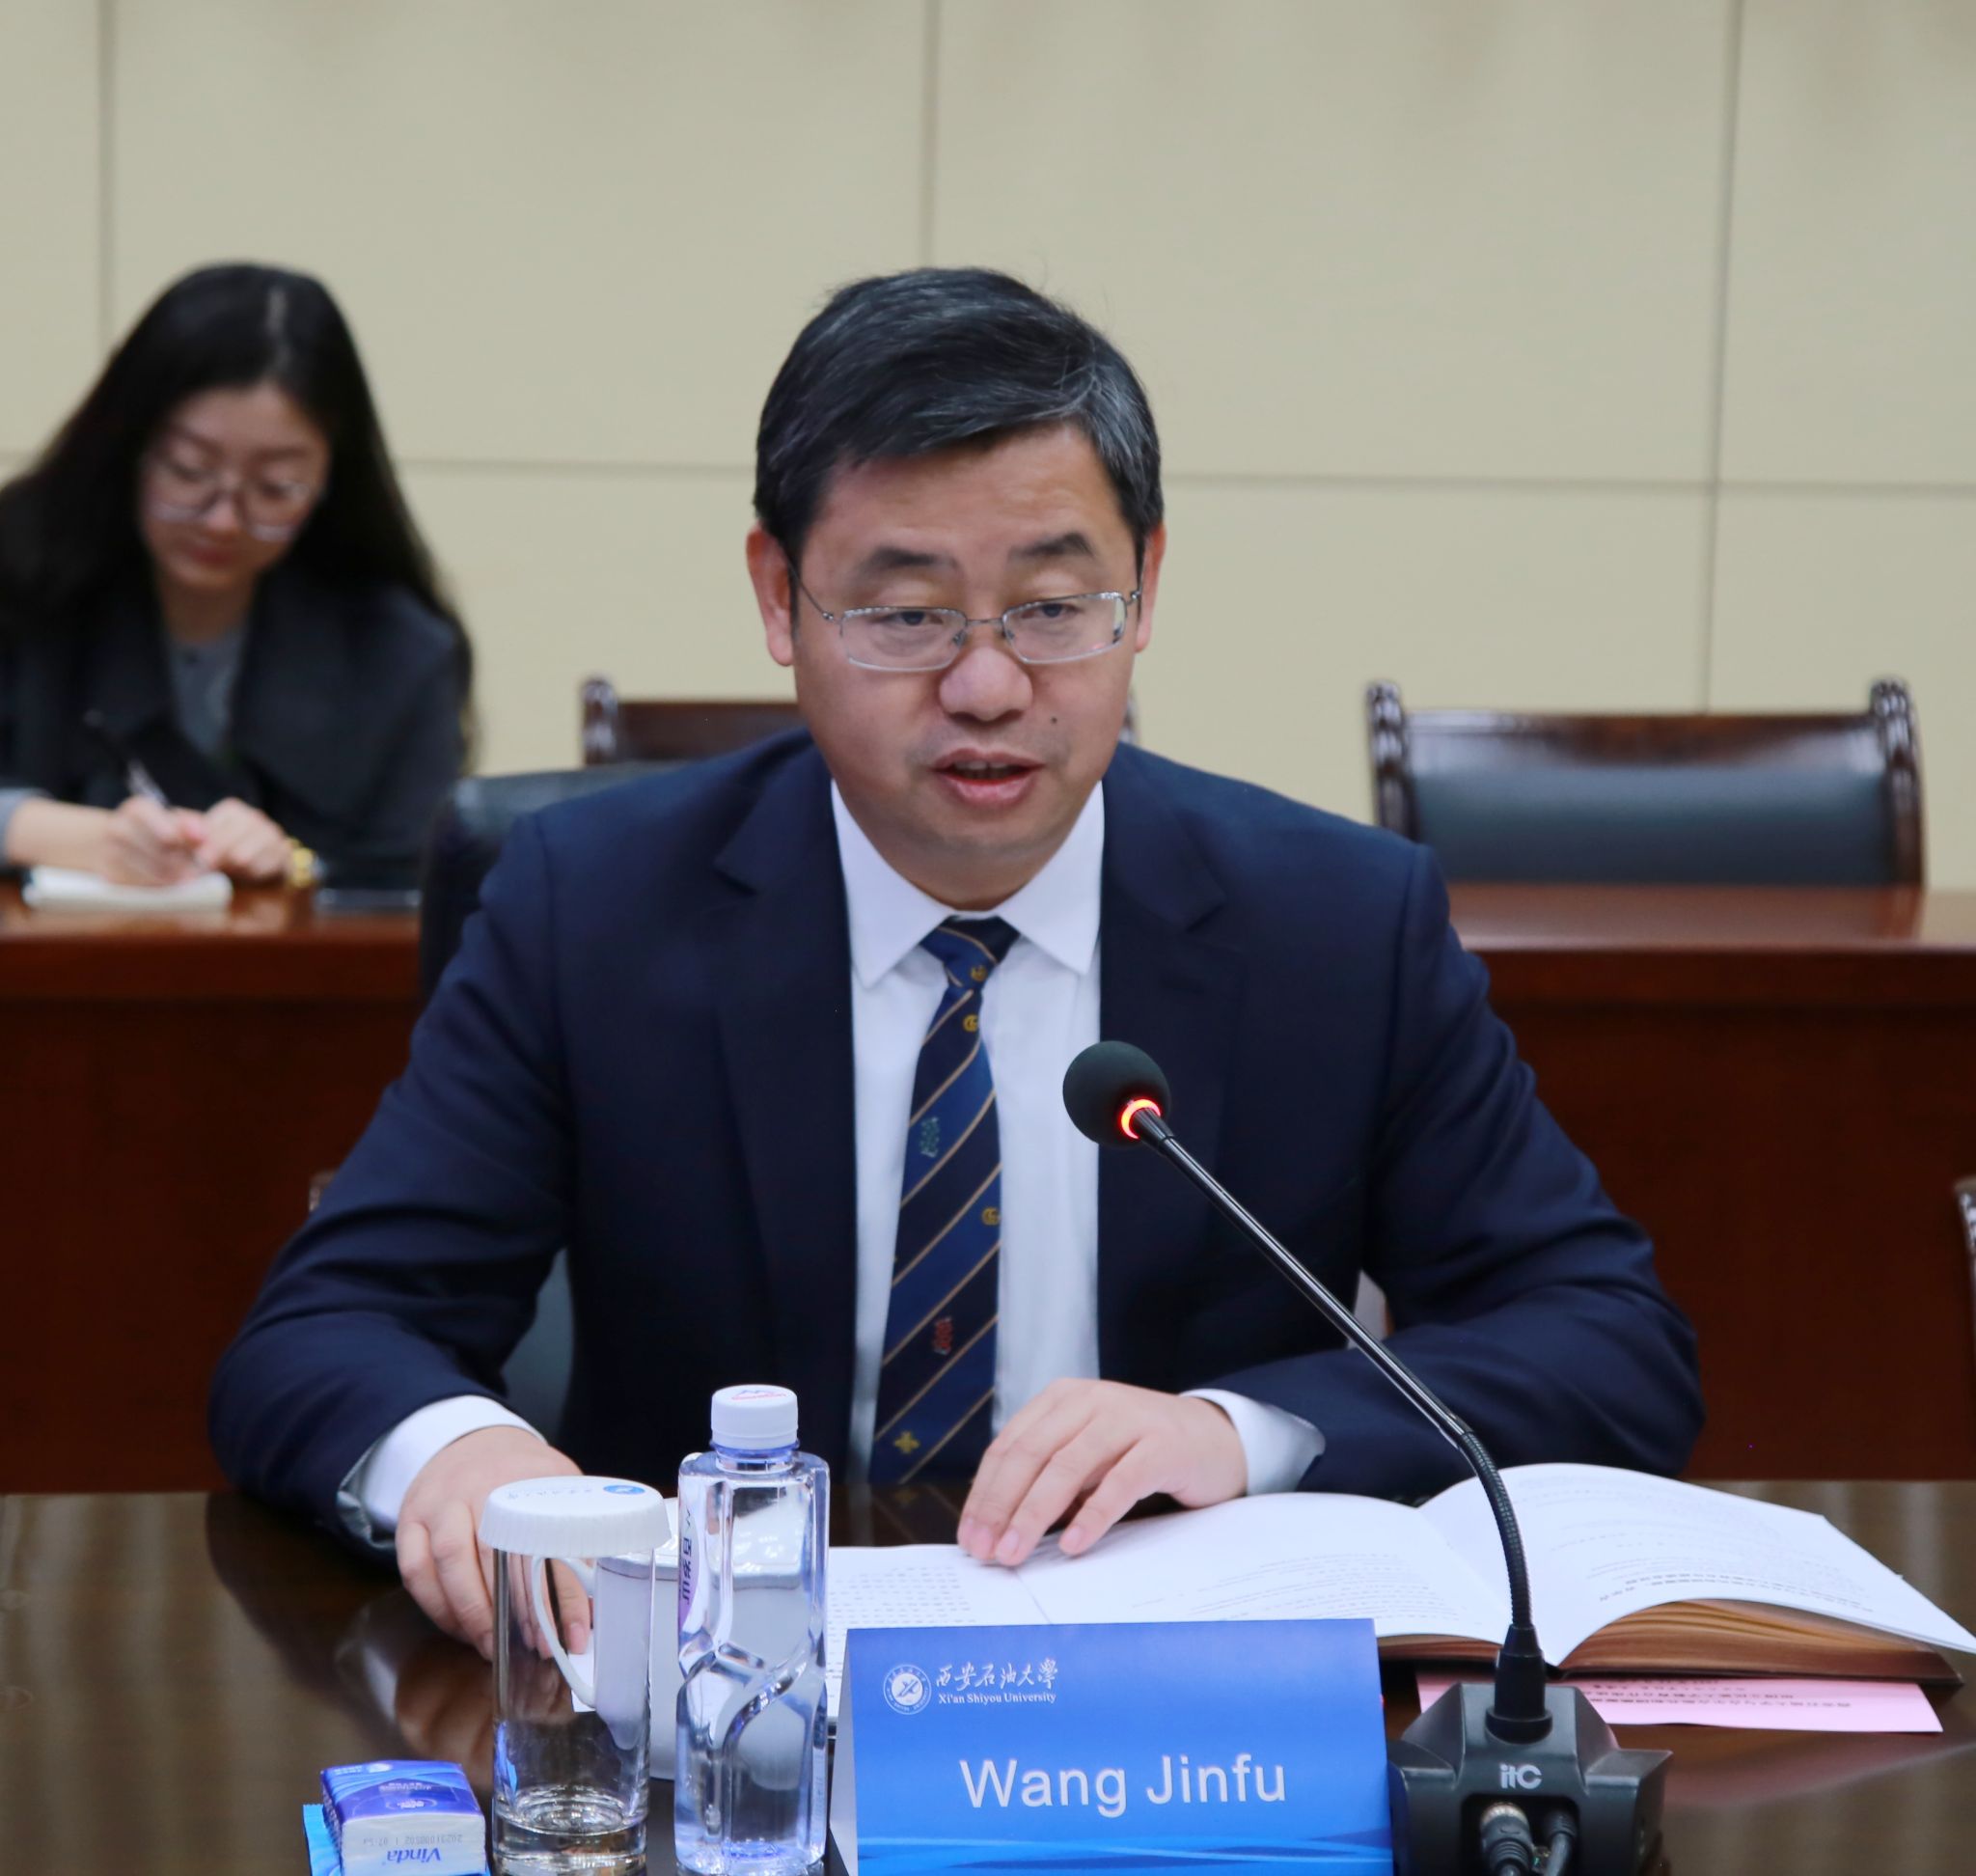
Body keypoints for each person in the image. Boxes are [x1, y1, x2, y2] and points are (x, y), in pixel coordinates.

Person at [211, 267, 1701, 1659]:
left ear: (1146, 585)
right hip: (727, 1710)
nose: (988, 684)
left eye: (1053, 607)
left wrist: (1240, 1435)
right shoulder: (594, 907)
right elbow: (326, 1330)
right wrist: (458, 1450)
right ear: (778, 598)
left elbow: (1607, 1342)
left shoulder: (1332, 924)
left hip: (1174, 1710)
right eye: (907, 613)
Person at [0, 262, 469, 885]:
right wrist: (55, 834)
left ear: (330, 479)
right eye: (189, 470)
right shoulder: (17, 578)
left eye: (276, 486)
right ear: (127, 447)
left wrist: (297, 864)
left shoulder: (398, 650)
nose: (223, 521)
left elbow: (416, 881)